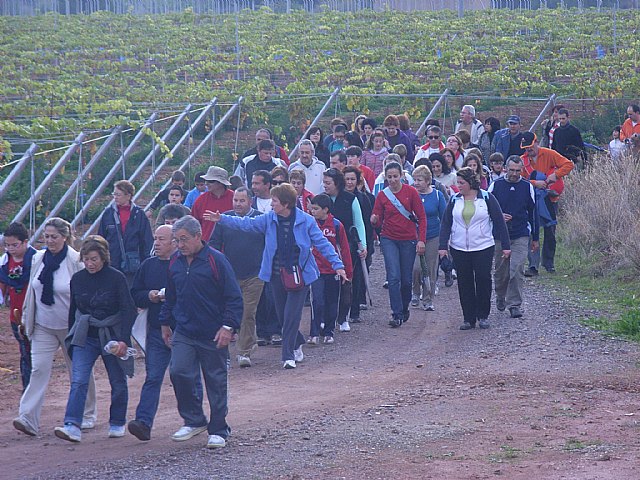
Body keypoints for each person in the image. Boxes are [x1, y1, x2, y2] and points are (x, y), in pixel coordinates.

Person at [208, 184, 347, 369]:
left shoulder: (306, 221)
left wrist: (338, 265)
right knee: (282, 317)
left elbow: (322, 244)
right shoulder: (268, 219)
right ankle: (297, 342)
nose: (271, 204)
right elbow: (246, 224)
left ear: (286, 203)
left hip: (300, 275)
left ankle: (287, 356)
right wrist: (222, 219)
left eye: (274, 201)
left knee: (291, 316)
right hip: (275, 276)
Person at [160, 216, 242, 448]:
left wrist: (228, 327)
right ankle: (194, 419)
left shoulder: (217, 261)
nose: (180, 245)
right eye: (176, 240)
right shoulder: (175, 261)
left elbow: (234, 298)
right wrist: (165, 323)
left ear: (198, 236)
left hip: (213, 333)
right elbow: (171, 297)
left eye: (184, 239)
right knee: (178, 372)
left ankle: (218, 429)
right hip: (184, 331)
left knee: (215, 381)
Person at [13, 218, 98, 437]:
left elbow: (84, 293)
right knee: (39, 369)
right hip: (43, 325)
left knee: (78, 372)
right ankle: (28, 418)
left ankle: (87, 415)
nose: (49, 241)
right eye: (46, 236)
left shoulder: (75, 260)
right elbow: (32, 291)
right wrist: (25, 318)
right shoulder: (38, 259)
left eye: (54, 237)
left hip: (71, 328)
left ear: (65, 237)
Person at [54, 235, 135, 443]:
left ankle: (117, 422)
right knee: (79, 380)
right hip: (86, 335)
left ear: (103, 258)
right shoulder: (78, 279)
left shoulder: (116, 278)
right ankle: (72, 424)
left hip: (112, 335)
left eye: (94, 259)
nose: (89, 264)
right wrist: (71, 338)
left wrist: (124, 340)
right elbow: (74, 311)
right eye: (86, 259)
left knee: (117, 381)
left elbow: (128, 309)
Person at [128, 225, 189, 441]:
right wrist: (149, 296)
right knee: (153, 377)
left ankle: (194, 420)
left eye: (162, 239)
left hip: (183, 331)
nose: (156, 243)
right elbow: (135, 294)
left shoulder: (184, 264)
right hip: (156, 330)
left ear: (174, 242)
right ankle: (143, 422)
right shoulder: (148, 266)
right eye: (155, 238)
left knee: (183, 377)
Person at [438, 168, 511, 331]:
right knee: (464, 282)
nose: (459, 186)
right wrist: (443, 246)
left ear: (471, 183)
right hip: (459, 247)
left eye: (462, 183)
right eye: (458, 182)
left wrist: (506, 246)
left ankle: (483, 315)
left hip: (483, 246)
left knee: (483, 280)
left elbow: (499, 221)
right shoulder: (454, 200)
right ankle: (468, 318)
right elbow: (446, 223)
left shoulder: (486, 198)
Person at [209, 187, 265, 368]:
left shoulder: (259, 219)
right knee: (227, 313)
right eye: (235, 200)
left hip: (255, 275)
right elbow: (214, 245)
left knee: (248, 313)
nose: (238, 204)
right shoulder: (223, 219)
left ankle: (244, 351)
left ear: (250, 201)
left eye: (242, 201)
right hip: (230, 275)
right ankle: (223, 352)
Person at [370, 161, 427, 328]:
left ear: (402, 175)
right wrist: (374, 219)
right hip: (389, 238)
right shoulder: (382, 195)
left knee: (406, 279)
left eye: (396, 176)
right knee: (393, 276)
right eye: (390, 177)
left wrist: (421, 239)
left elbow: (421, 217)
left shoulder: (411, 192)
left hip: (408, 238)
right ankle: (396, 313)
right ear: (385, 178)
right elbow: (377, 215)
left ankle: (404, 307)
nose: (393, 180)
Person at [488, 156, 539, 319]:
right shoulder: (496, 186)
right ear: (505, 169)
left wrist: (535, 238)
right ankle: (500, 295)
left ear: (522, 170)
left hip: (520, 233)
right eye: (511, 170)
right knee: (501, 271)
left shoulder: (527, 187)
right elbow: (485, 209)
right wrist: (498, 216)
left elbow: (533, 213)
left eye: (518, 171)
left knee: (517, 269)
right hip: (499, 235)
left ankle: (515, 304)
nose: (514, 174)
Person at [519, 132, 574, 275]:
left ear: (537, 142)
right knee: (532, 232)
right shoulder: (522, 160)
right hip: (531, 201)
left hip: (550, 199)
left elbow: (568, 164)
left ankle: (549, 263)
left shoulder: (550, 154)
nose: (528, 151)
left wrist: (555, 175)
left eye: (530, 147)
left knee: (550, 232)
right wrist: (535, 183)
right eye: (525, 148)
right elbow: (519, 180)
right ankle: (533, 266)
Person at [323, 168, 368, 332]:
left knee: (347, 282)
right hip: (325, 247)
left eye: (328, 183)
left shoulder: (350, 199)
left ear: (336, 183)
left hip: (347, 246)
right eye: (324, 182)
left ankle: (344, 316)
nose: (325, 186)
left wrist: (362, 245)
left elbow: (359, 222)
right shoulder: (322, 199)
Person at [307, 194, 353, 345]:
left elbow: (344, 249)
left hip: (333, 271)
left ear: (325, 209)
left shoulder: (337, 225)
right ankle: (314, 333)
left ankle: (328, 331)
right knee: (317, 301)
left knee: (332, 302)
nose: (313, 211)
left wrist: (347, 270)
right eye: (311, 208)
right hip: (316, 271)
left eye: (316, 209)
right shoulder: (310, 224)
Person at [0, 222, 37, 390]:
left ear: (25, 242)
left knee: (33, 354)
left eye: (14, 245)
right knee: (25, 352)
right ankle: (27, 388)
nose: (10, 249)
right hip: (16, 315)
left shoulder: (36, 259)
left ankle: (32, 389)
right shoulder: (5, 262)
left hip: (35, 314)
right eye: (7, 245)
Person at [98, 180, 153, 284]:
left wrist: (146, 263)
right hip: (112, 263)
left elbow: (147, 240)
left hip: (133, 265)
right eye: (114, 194)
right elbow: (101, 238)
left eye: (118, 194)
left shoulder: (139, 215)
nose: (115, 197)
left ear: (128, 196)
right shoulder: (108, 214)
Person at [411, 166, 446, 312]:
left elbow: (444, 217)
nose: (416, 183)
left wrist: (445, 240)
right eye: (415, 180)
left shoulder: (437, 195)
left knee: (430, 269)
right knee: (416, 268)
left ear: (427, 180)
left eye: (419, 180)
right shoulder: (412, 195)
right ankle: (415, 291)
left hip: (433, 236)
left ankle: (428, 299)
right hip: (414, 236)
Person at [191, 166, 234, 242]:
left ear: (221, 183)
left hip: (231, 245)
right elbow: (193, 224)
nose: (206, 183)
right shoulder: (200, 200)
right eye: (206, 181)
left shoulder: (235, 198)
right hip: (207, 247)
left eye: (210, 181)